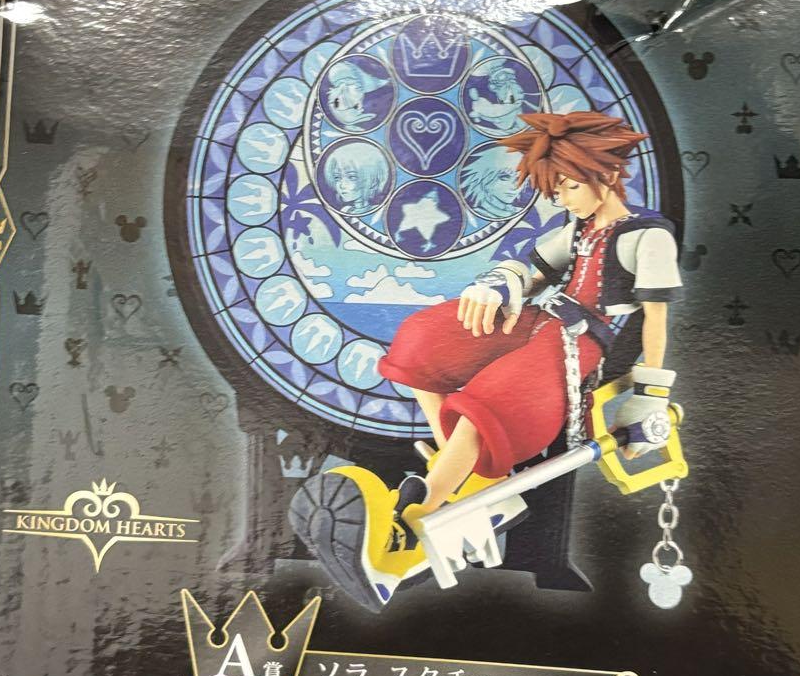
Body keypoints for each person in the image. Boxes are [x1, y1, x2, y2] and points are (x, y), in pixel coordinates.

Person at [290, 111, 683, 609]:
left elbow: (655, 320)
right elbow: (531, 271)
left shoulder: (648, 237)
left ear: (604, 175)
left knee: (492, 402)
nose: (561, 198)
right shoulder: (578, 231)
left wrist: (650, 396)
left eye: (567, 186)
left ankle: (412, 523)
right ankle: (468, 474)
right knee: (422, 341)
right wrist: (499, 285)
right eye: (555, 189)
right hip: (538, 319)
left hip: (579, 346)